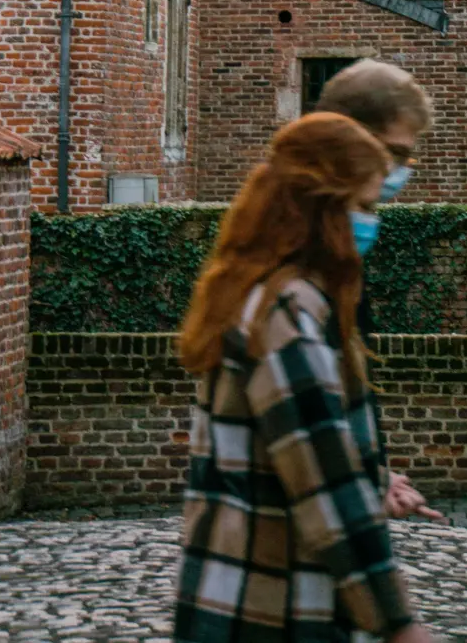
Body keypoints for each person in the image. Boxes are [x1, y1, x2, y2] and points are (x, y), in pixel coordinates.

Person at [173, 112, 436, 643]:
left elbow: (286, 445)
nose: (370, 223)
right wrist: (399, 623)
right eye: (362, 207)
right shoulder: (287, 314)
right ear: (322, 208)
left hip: (232, 590)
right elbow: (325, 491)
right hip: (273, 605)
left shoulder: (258, 295)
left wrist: (373, 479)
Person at [316, 60, 441, 522]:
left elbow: (345, 391)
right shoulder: (302, 258)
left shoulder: (342, 247)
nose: (400, 171)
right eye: (393, 152)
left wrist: (376, 474)